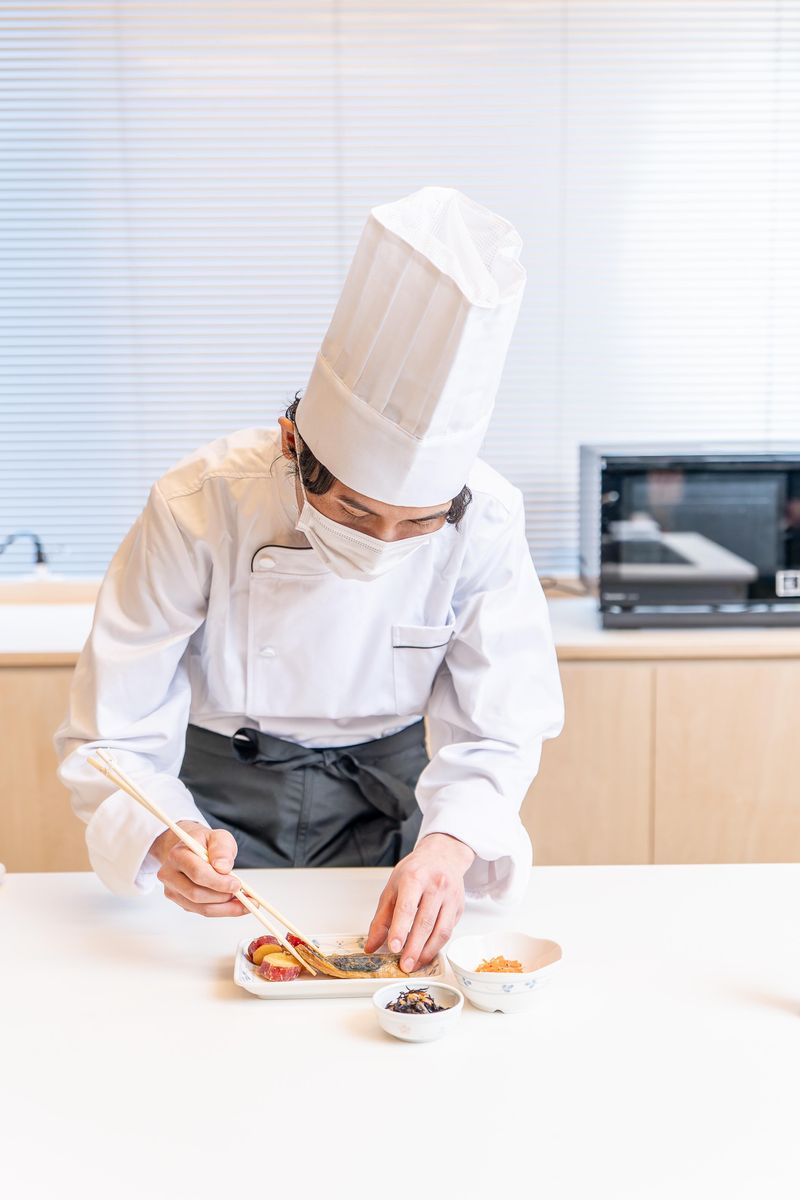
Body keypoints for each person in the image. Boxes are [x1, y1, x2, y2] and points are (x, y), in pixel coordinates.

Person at [54, 185, 564, 974]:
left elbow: (500, 722)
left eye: (419, 522)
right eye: (358, 513)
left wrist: (450, 849)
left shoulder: (486, 519)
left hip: (395, 809)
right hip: (218, 804)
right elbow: (112, 731)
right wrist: (164, 833)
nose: (385, 543)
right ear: (294, 446)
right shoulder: (201, 503)